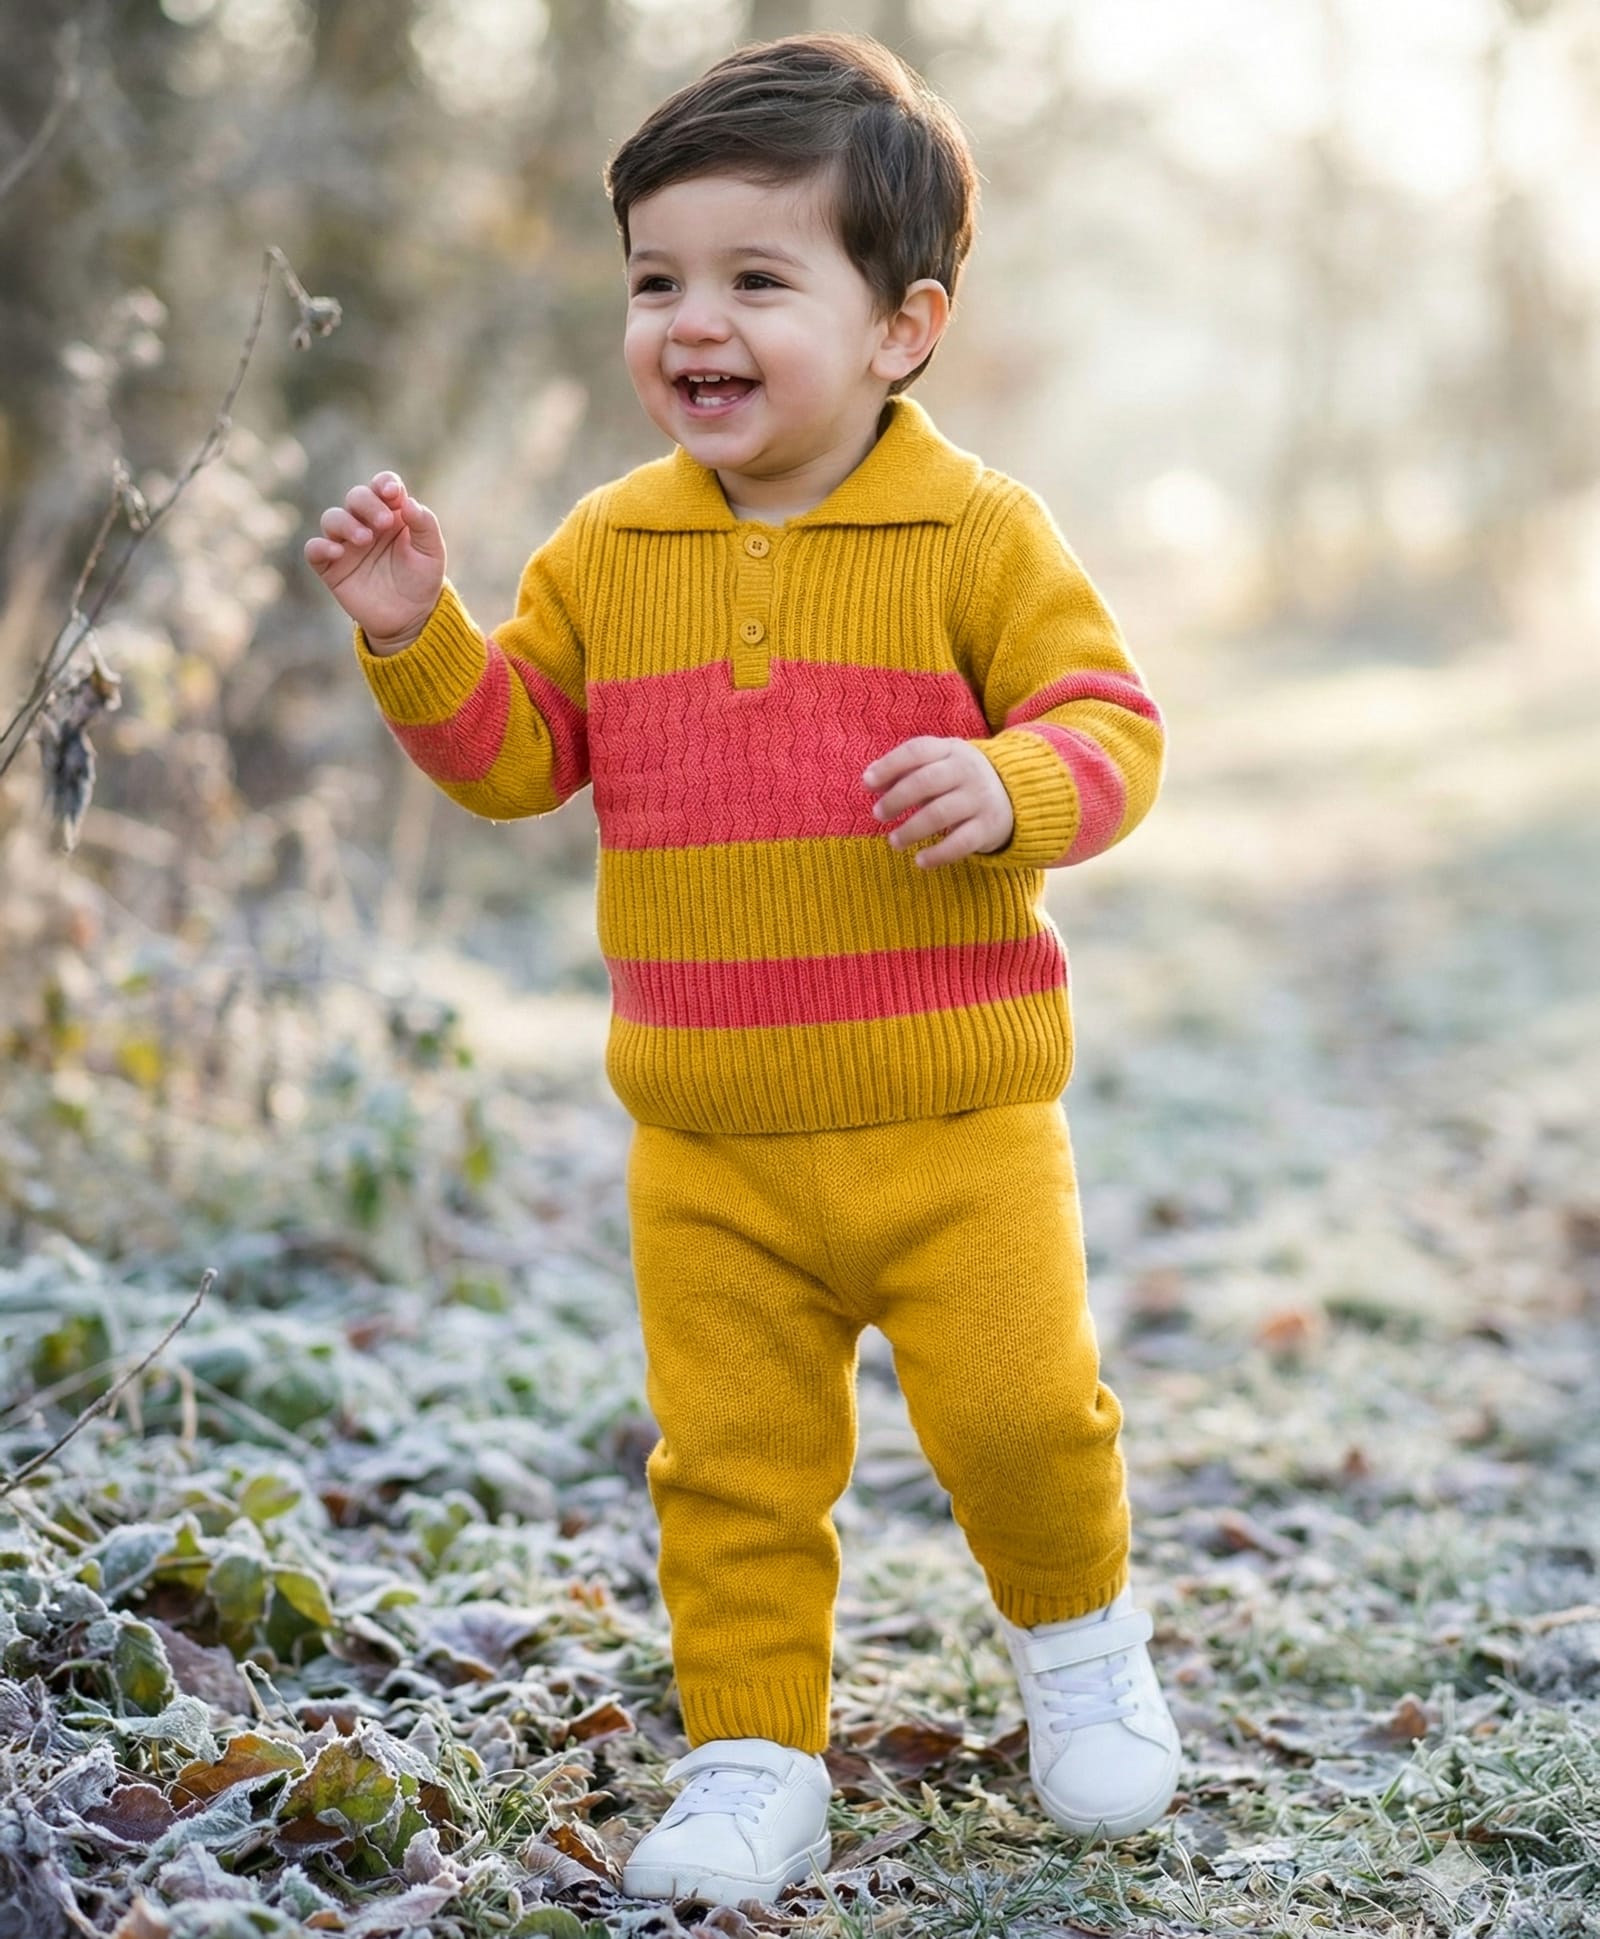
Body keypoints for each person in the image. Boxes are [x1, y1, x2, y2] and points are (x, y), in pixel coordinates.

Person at [306, 29, 1180, 1910]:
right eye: (656, 281)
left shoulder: (976, 529)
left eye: (754, 280)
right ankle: (755, 1751)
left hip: (957, 1123)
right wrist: (415, 640)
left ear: (902, 325)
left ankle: (1083, 1650)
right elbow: (521, 756)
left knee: (1026, 1420)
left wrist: (1019, 780)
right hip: (709, 1145)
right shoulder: (610, 547)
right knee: (733, 1472)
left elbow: (1112, 719)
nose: (690, 322)